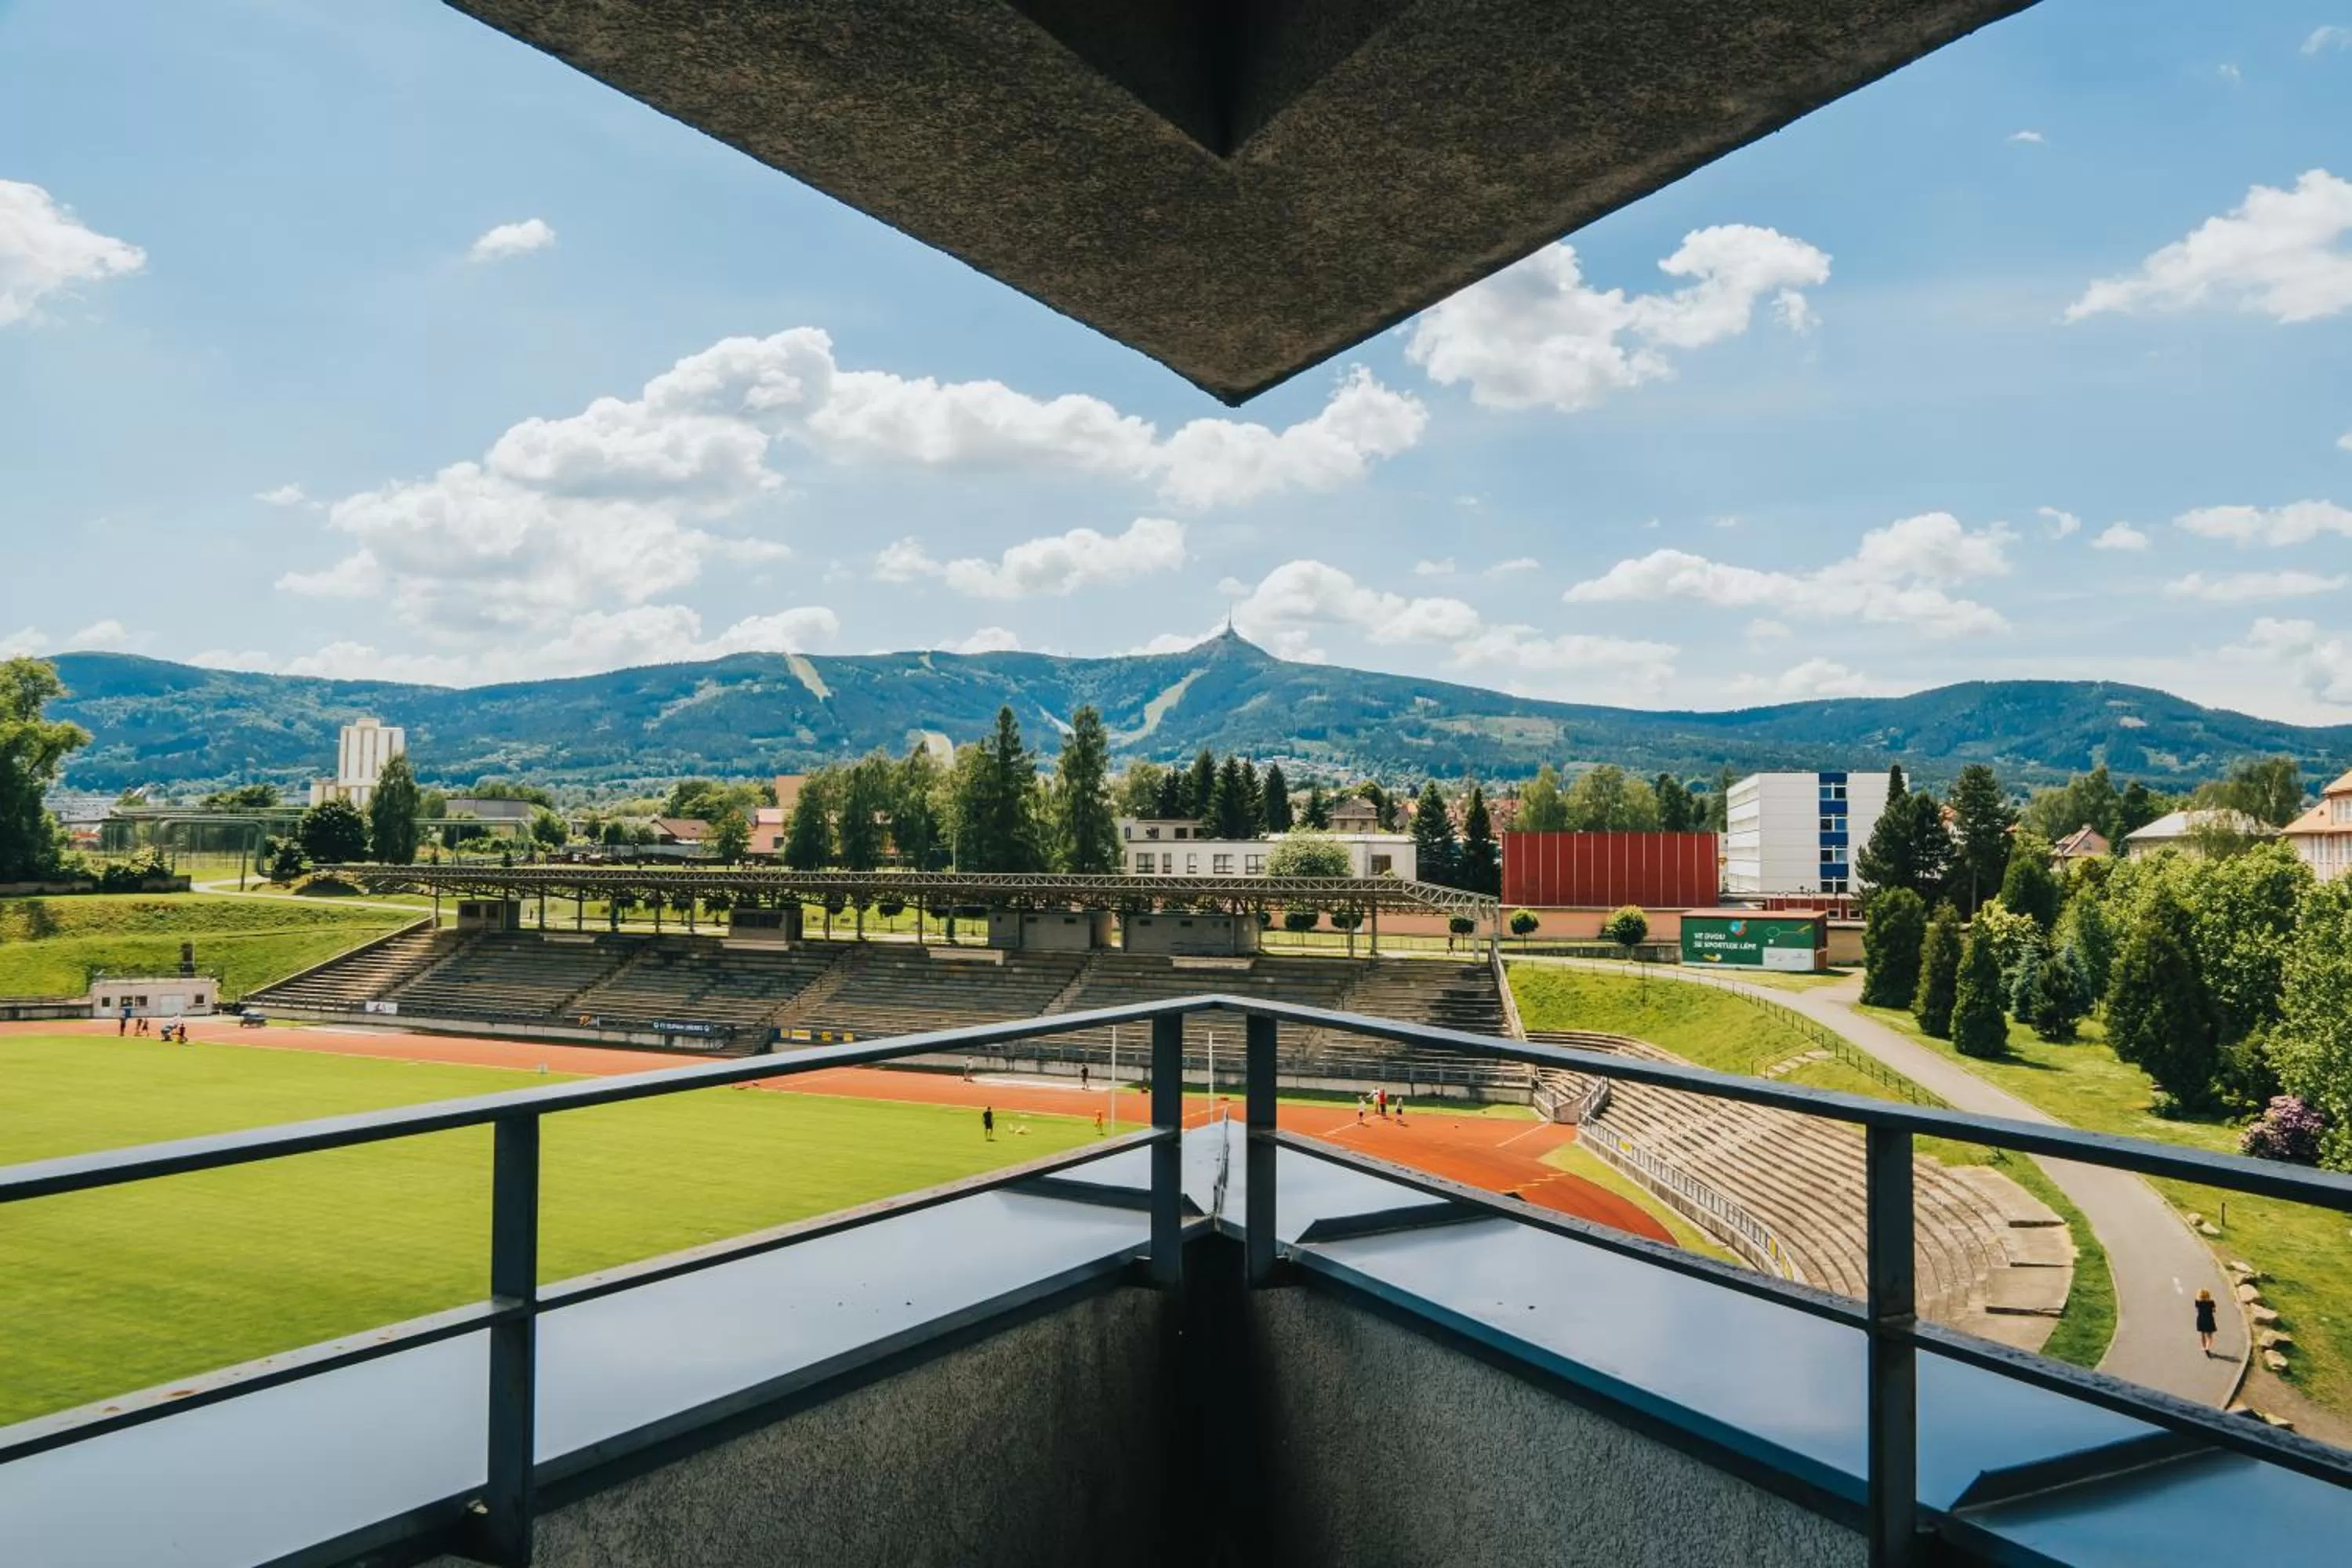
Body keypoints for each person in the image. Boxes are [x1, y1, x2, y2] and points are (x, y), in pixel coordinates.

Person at [2195, 1288, 2219, 1355]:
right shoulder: (2211, 1302)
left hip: (2200, 1320)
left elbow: (2197, 1310)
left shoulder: (2198, 1302)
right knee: (2209, 1336)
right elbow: (2214, 1310)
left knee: (2202, 1334)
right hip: (2209, 1320)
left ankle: (2203, 1346)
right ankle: (2207, 1347)